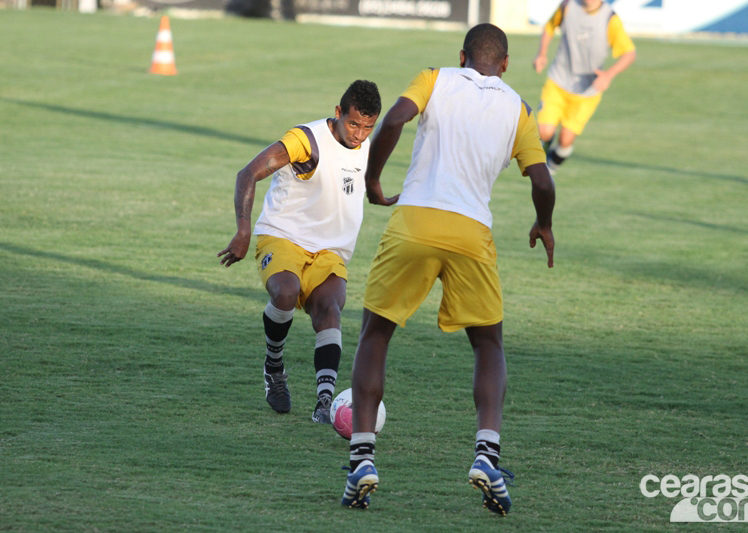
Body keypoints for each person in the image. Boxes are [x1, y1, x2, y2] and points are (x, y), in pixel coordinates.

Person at [340, 24, 555, 516]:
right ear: (505, 64)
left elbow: (394, 119)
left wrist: (373, 180)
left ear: (462, 56)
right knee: (488, 343)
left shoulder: (434, 78)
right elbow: (542, 181)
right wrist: (544, 224)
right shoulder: (519, 108)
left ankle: (362, 460)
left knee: (376, 333)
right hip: (470, 233)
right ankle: (486, 454)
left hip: (415, 220)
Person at [217, 80, 382, 424]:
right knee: (286, 292)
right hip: (283, 236)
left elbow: (354, 181)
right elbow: (248, 173)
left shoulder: (365, 145)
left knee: (330, 308)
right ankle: (274, 366)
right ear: (338, 112)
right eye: (353, 124)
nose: (359, 134)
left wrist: (377, 194)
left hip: (329, 250)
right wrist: (243, 230)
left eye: (368, 127)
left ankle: (324, 403)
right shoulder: (306, 141)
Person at [533, 0, 636, 174]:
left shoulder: (610, 19)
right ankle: (542, 170)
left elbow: (629, 53)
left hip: (587, 91)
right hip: (558, 81)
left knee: (565, 140)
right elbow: (549, 27)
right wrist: (541, 53)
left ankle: (551, 166)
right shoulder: (567, 6)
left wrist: (609, 75)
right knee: (544, 132)